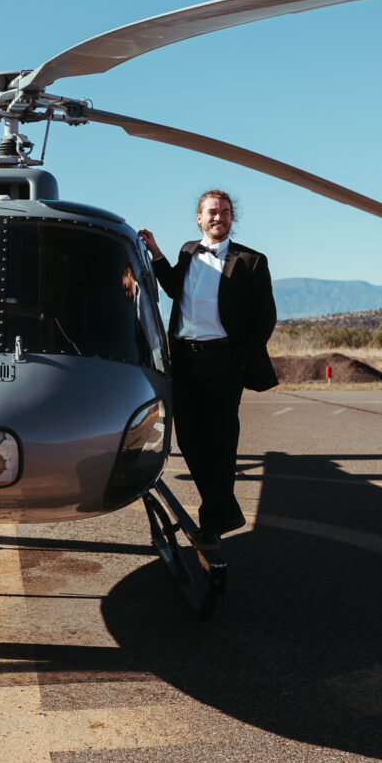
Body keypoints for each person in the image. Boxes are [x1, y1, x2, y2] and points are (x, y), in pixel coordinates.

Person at [139, 191, 277, 550]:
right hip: (184, 357)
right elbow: (172, 288)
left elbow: (266, 317)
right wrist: (155, 252)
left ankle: (213, 521)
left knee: (221, 441)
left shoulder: (252, 261)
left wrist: (239, 358)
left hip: (222, 361)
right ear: (199, 218)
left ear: (232, 218)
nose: (220, 217)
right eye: (213, 212)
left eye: (226, 212)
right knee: (188, 438)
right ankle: (225, 510)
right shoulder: (188, 251)